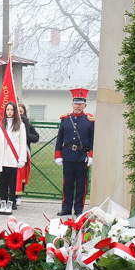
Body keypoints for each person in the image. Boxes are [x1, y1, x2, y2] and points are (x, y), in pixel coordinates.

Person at [55, 88, 95, 217]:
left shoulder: (90, 121)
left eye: (80, 104)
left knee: (81, 185)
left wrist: (91, 156)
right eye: (76, 103)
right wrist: (58, 155)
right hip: (67, 155)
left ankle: (78, 209)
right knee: (67, 183)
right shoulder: (65, 119)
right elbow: (59, 138)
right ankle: (66, 208)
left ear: (85, 105)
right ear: (72, 104)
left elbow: (93, 140)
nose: (78, 106)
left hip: (82, 156)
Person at [0, 101, 28, 215]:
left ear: (15, 111)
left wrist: (21, 159)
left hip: (14, 159)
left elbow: (22, 143)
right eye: (7, 109)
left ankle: (10, 202)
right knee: (2, 182)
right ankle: (3, 203)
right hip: (2, 158)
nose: (9, 112)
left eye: (11, 110)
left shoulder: (20, 125)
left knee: (12, 182)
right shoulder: (0, 125)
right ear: (5, 111)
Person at [16, 104, 40, 204]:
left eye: (21, 112)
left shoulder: (28, 124)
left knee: (21, 174)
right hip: (13, 152)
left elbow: (36, 137)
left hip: (24, 151)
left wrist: (25, 136)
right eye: (18, 112)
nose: (20, 114)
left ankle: (18, 196)